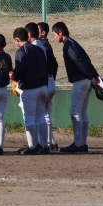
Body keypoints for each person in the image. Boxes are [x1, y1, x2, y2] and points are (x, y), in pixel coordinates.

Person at [53, 22, 100, 153]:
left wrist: (91, 76)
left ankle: (78, 144)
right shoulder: (73, 43)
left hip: (80, 81)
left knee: (75, 113)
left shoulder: (68, 45)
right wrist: (94, 76)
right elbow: (87, 60)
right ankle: (82, 144)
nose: (54, 37)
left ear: (60, 32)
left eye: (55, 34)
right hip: (86, 80)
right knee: (82, 113)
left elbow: (79, 61)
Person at [11, 27, 49, 155]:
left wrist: (13, 76)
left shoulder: (21, 51)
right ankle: (44, 145)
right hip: (43, 87)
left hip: (30, 89)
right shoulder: (39, 49)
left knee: (29, 118)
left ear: (17, 39)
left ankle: (32, 146)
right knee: (41, 117)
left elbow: (21, 71)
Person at [36, 21, 60, 150]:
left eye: (38, 30)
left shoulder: (43, 47)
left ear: (43, 33)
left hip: (46, 81)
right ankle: (51, 141)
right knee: (46, 112)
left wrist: (48, 82)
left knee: (44, 113)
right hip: (49, 80)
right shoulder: (46, 45)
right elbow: (55, 64)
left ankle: (48, 143)